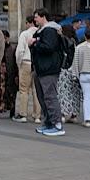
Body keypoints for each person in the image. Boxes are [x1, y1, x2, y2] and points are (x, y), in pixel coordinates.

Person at [30, 8, 64, 136]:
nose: (35, 19)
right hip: (41, 69)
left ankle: (57, 124)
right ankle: (48, 123)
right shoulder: (42, 31)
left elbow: (49, 47)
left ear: (43, 17)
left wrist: (35, 43)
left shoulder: (50, 30)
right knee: (43, 97)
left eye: (36, 17)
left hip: (48, 69)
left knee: (50, 97)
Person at [13, 15, 41, 123]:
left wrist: (18, 63)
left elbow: (20, 51)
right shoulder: (40, 33)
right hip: (36, 63)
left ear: (28, 23)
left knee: (24, 90)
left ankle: (23, 114)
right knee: (36, 90)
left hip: (26, 62)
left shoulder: (24, 34)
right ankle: (37, 115)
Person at [57, 24, 81, 124]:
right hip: (75, 69)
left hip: (65, 69)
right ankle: (73, 114)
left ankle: (63, 113)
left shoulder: (64, 40)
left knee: (63, 92)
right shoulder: (75, 41)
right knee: (74, 92)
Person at [0, 31, 18, 120]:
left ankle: (11, 110)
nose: (4, 40)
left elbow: (15, 62)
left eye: (5, 38)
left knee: (11, 93)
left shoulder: (12, 49)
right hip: (1, 73)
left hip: (10, 72)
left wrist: (16, 74)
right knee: (0, 91)